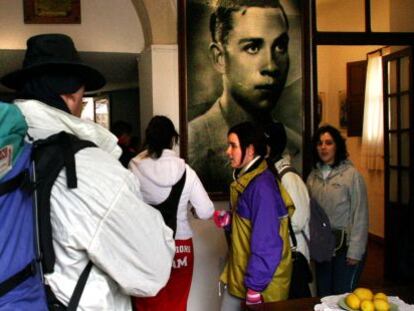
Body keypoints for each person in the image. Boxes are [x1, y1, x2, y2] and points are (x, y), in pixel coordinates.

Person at [0, 33, 175, 310]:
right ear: (70, 94)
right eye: (83, 96)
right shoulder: (90, 167)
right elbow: (153, 269)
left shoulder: (8, 152)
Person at [188, 0, 302, 193]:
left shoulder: (296, 144)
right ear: (220, 58)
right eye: (253, 47)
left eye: (280, 47)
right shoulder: (194, 143)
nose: (271, 66)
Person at [129, 115, 215, 311]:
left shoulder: (134, 167)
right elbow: (206, 210)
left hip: (145, 246)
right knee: (177, 305)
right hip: (181, 245)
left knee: (148, 304)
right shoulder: (186, 171)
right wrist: (191, 210)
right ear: (173, 139)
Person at [214, 122, 292, 310]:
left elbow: (268, 241)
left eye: (233, 145)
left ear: (249, 150)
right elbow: (253, 224)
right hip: (242, 276)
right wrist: (231, 221)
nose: (227, 151)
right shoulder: (249, 180)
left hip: (261, 285)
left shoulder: (261, 187)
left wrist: (255, 288)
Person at [306, 125, 368, 296]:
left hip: (345, 248)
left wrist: (356, 251)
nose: (323, 147)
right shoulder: (312, 177)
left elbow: (360, 215)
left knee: (342, 296)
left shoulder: (351, 175)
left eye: (328, 143)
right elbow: (310, 215)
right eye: (319, 143)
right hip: (322, 247)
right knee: (324, 295)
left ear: (337, 145)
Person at [264, 121, 312, 298]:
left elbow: (298, 220)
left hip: (293, 253)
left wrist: (267, 224)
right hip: (281, 254)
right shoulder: (271, 173)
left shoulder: (289, 177)